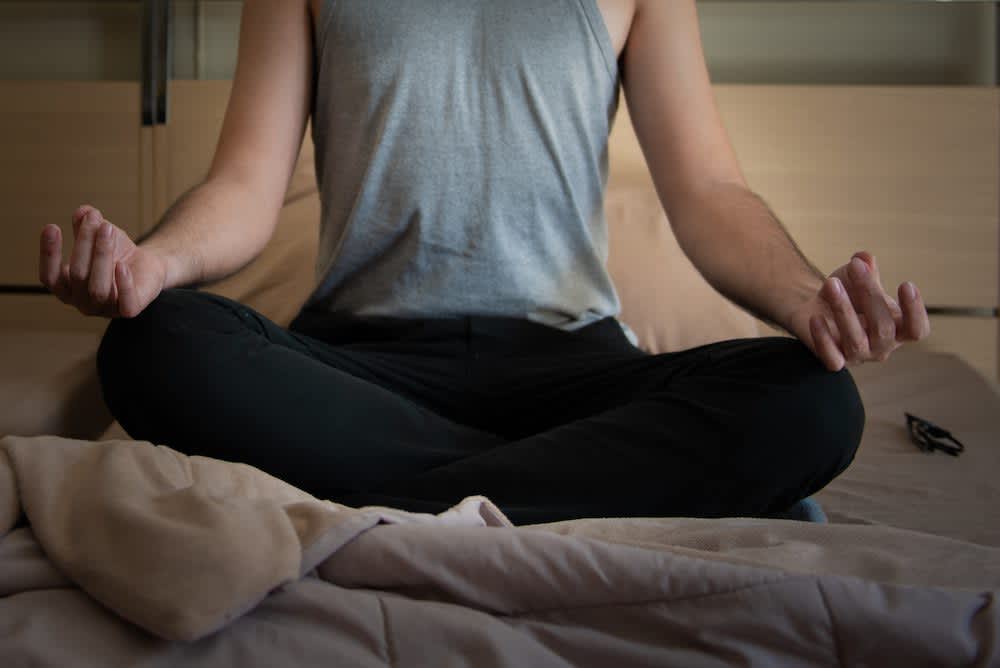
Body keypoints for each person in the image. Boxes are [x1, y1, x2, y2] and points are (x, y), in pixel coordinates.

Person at [37, 0, 929, 526]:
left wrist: (808, 297)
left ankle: (406, 500)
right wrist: (152, 263)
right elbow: (242, 185)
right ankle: (556, 482)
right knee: (151, 346)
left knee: (814, 402)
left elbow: (707, 193)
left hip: (574, 369)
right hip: (359, 370)